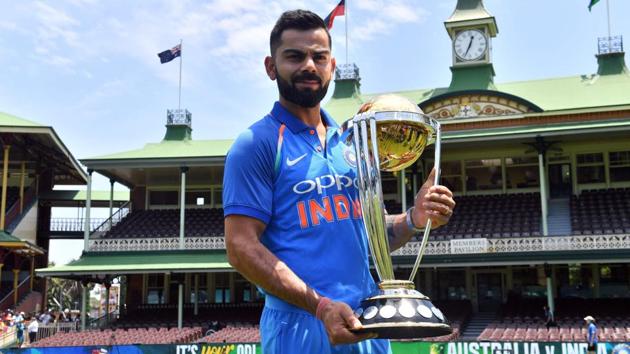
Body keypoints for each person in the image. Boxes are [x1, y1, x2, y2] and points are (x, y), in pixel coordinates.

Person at [223, 9, 455, 354]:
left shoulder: (351, 143)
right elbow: (240, 247)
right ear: (271, 67)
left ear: (332, 66)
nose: (309, 66)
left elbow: (366, 235)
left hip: (367, 319)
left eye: (319, 56)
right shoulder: (256, 144)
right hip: (301, 325)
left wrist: (413, 219)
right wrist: (320, 306)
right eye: (294, 56)